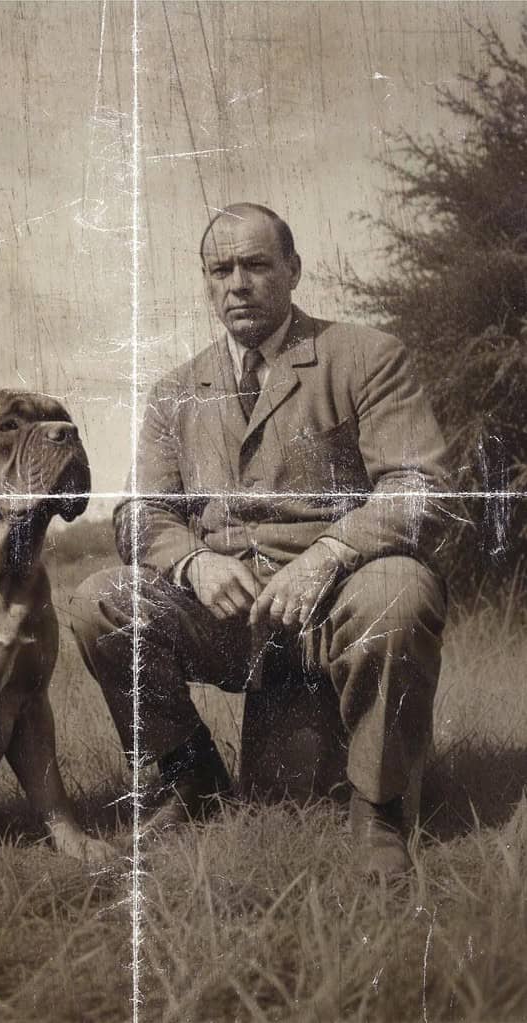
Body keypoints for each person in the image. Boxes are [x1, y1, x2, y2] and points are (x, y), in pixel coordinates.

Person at [71, 203, 449, 882]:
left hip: (336, 605)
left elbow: (419, 486)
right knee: (100, 599)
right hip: (227, 619)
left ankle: (380, 811)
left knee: (400, 588)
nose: (236, 283)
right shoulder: (176, 391)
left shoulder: (365, 356)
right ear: (205, 283)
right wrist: (192, 561)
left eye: (255, 264)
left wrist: (327, 556)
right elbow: (137, 513)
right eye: (220, 269)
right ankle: (191, 778)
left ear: (293, 270)